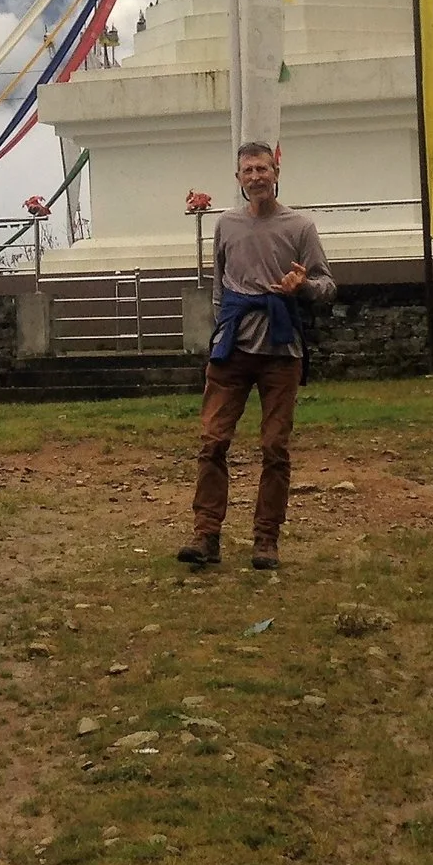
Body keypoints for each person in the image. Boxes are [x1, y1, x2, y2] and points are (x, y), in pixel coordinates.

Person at [179, 142, 334, 571]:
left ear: (276, 172)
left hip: (281, 351)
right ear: (238, 179)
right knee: (212, 441)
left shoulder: (300, 227)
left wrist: (302, 286)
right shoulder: (226, 225)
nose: (256, 177)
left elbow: (327, 286)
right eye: (247, 171)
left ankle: (266, 539)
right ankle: (205, 534)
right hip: (232, 347)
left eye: (262, 169)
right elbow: (219, 285)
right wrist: (222, 329)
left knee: (274, 447)